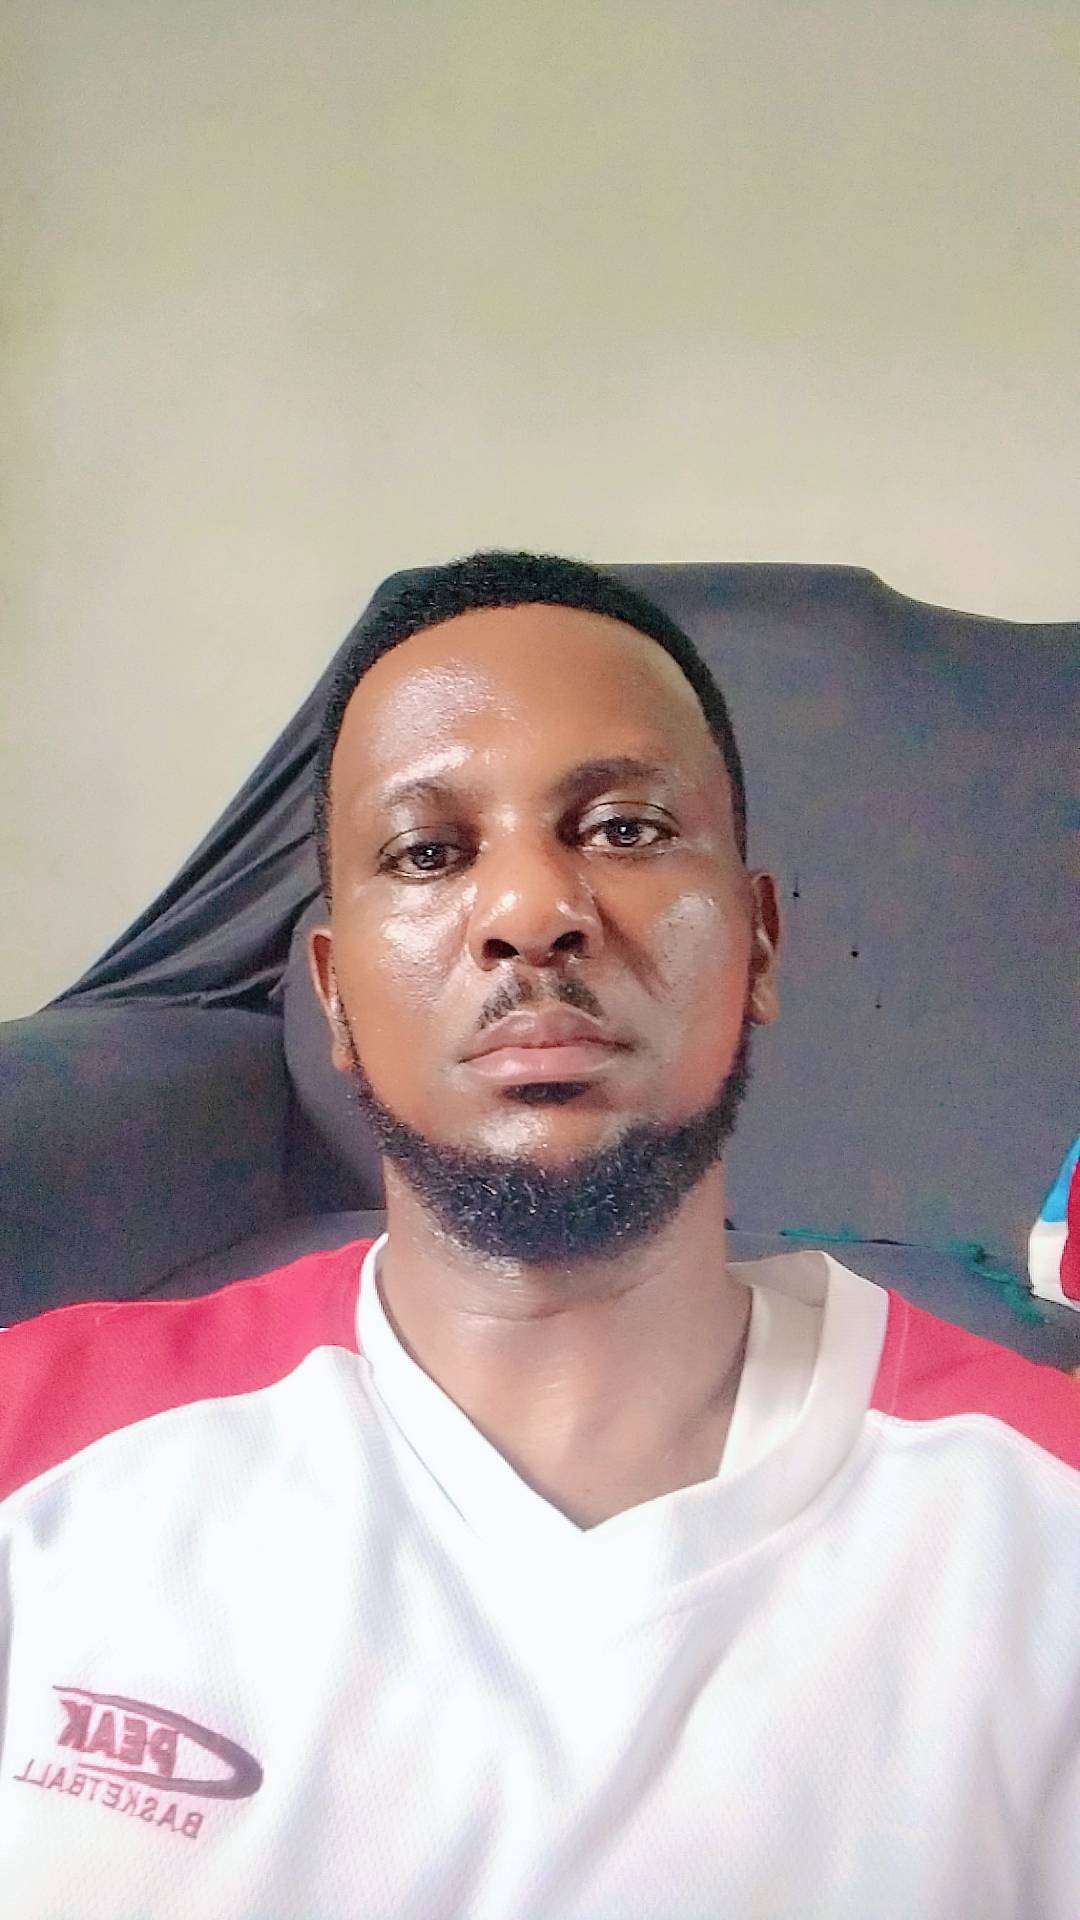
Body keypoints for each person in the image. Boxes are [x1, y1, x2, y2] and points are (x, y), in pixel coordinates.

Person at [0, 550, 1076, 1919]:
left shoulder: (1041, 1526)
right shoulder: (34, 1446)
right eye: (428, 853)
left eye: (623, 829)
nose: (529, 913)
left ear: (758, 946)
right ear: (333, 998)